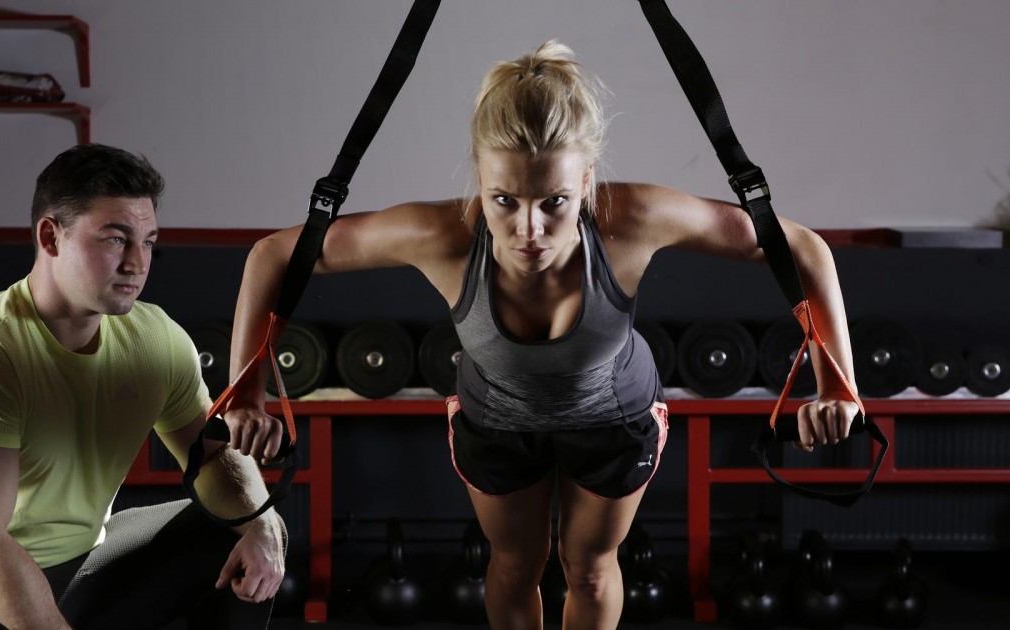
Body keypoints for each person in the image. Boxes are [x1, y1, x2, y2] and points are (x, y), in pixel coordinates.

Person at [224, 41, 859, 629]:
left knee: (588, 567)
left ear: (586, 182)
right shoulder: (443, 236)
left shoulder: (630, 219)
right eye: (504, 199)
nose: (529, 228)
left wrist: (840, 384)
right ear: (479, 180)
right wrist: (245, 392)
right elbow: (274, 255)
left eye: (554, 201)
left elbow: (798, 247)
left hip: (613, 418)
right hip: (497, 422)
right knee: (513, 566)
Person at [0, 144, 286, 630]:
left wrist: (260, 526)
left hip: (78, 563)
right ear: (51, 237)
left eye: (149, 242)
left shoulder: (156, 338)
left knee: (251, 527)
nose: (138, 263)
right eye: (115, 240)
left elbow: (214, 458)